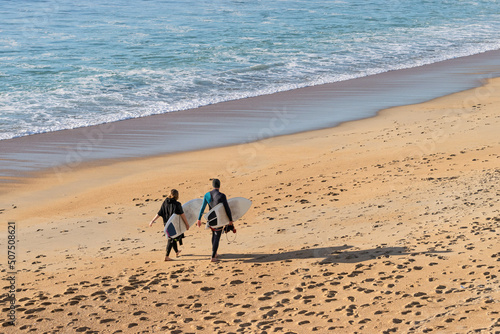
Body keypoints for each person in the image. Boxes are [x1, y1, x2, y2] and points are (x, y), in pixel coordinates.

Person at [196, 178, 233, 262]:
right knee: (217, 236)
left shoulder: (207, 195)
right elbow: (227, 209)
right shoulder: (222, 196)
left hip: (210, 219)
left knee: (213, 234)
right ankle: (213, 257)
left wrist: (199, 219)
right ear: (219, 185)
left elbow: (202, 208)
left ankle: (215, 253)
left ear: (212, 185)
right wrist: (230, 220)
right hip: (219, 219)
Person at [149, 189, 189, 261]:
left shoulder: (165, 202)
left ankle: (176, 251)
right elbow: (182, 215)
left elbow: (159, 213)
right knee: (171, 239)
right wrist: (187, 224)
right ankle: (166, 257)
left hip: (166, 225)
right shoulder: (177, 204)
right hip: (174, 225)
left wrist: (152, 220)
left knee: (173, 238)